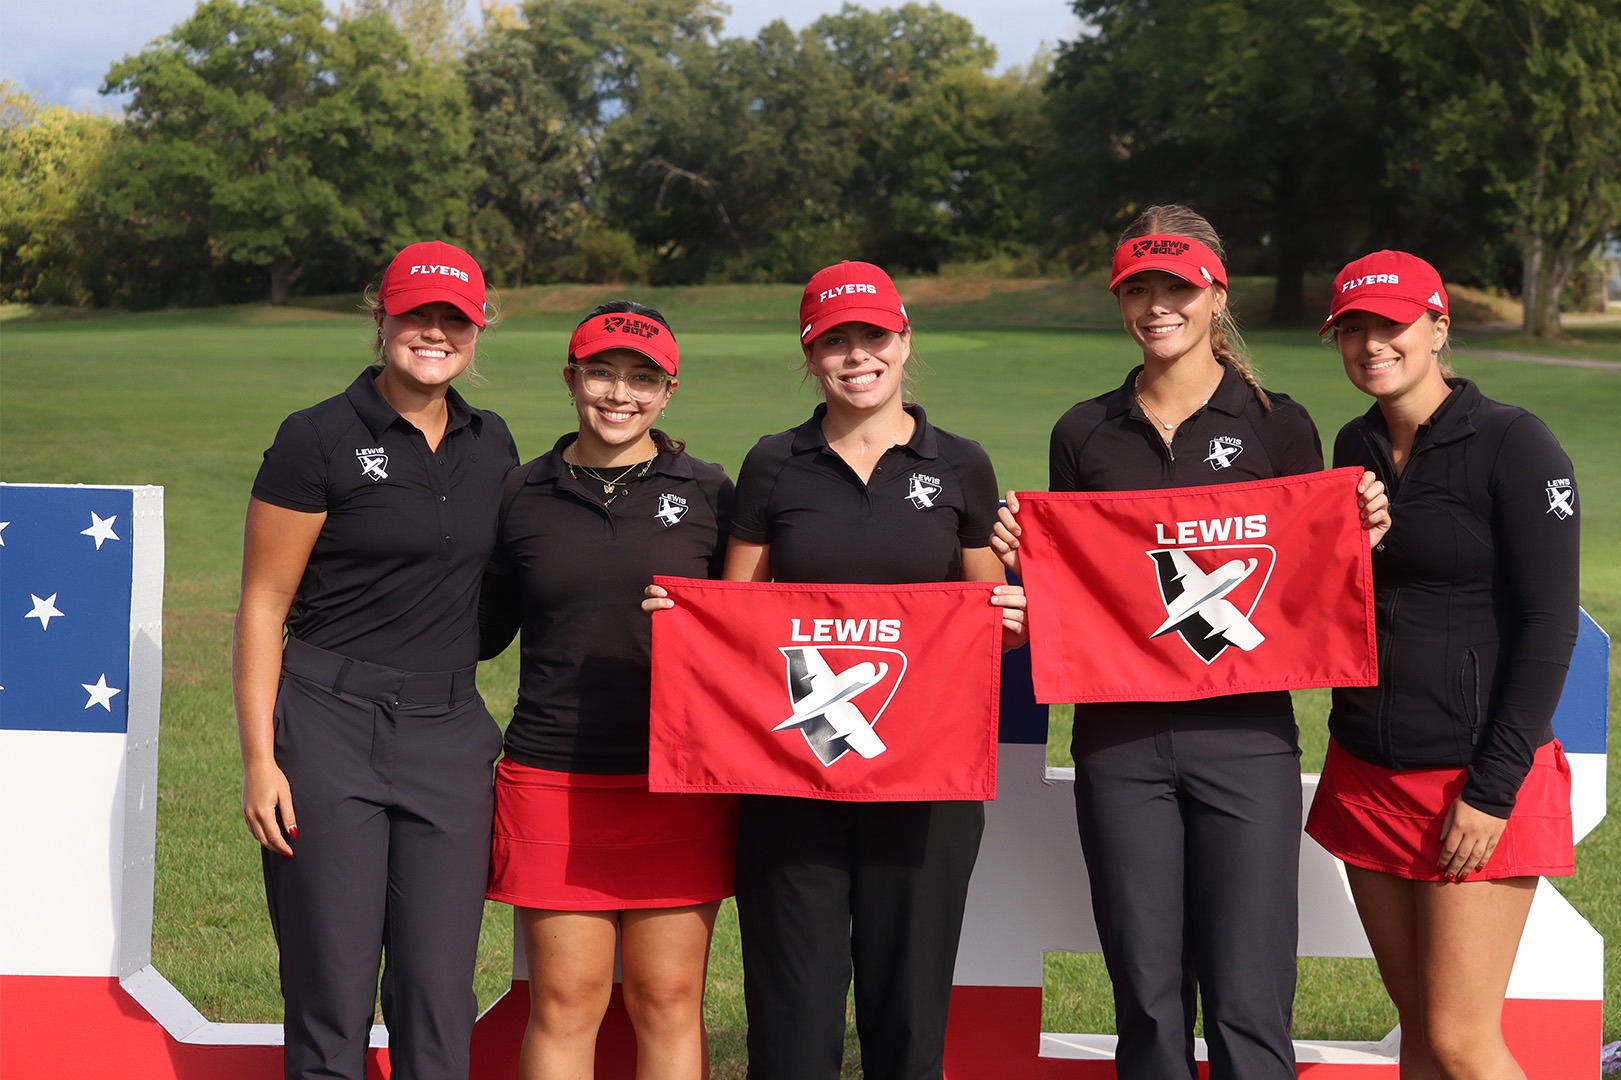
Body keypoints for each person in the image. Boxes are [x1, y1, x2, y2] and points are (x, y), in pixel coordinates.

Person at [990, 205, 1389, 1080]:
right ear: (1120, 300)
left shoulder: (1278, 425)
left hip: (1244, 735)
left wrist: (1366, 522)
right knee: (1146, 992)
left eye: (1178, 286)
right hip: (1118, 740)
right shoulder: (1083, 432)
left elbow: (1309, 572)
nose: (1158, 305)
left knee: (1251, 995)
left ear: (1217, 293)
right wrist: (1022, 560)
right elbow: (1075, 586)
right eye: (1139, 288)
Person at [644, 260, 1026, 1080]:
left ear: (904, 340)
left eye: (874, 337)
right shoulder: (775, 463)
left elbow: (985, 620)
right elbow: (736, 612)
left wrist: (1014, 622)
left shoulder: (961, 463)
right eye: (836, 342)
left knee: (909, 1014)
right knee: (792, 1019)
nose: (859, 357)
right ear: (811, 355)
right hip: (792, 774)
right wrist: (685, 624)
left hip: (925, 779)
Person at [234, 240, 518, 1080]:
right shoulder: (315, 436)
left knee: (438, 996)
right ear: (381, 318)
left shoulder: (492, 441)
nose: (434, 333)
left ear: (477, 330)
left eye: (453, 320)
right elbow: (262, 605)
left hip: (450, 733)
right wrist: (260, 759)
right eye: (415, 314)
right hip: (327, 727)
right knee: (333, 988)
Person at [1306, 250, 1579, 1079]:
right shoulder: (1351, 444)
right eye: (1352, 329)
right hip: (1367, 768)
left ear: (1437, 327)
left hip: (1473, 781)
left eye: (1389, 325)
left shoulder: (1515, 443)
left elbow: (1548, 627)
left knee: (1462, 1039)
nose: (1370, 345)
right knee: (1420, 1033)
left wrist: (1491, 793)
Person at [478, 302, 738, 1080]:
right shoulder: (521, 491)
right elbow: (476, 625)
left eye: (642, 378)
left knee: (667, 996)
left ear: (669, 392)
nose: (619, 393)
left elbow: (765, 625)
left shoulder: (712, 493)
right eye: (601, 372)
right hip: (554, 773)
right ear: (572, 379)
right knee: (565, 1000)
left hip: (677, 779)